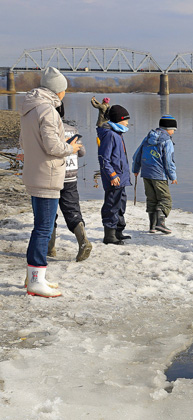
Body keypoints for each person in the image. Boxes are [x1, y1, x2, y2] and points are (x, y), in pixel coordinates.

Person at [19, 66, 81, 297]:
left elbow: (24, 142)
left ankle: (34, 276)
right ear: (58, 91)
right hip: (48, 175)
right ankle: (36, 281)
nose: (65, 93)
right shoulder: (48, 111)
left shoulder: (29, 108)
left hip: (35, 172)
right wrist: (71, 147)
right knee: (43, 229)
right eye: (64, 89)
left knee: (40, 227)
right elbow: (53, 147)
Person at [47, 117, 92, 262]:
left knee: (49, 212)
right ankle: (83, 240)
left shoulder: (49, 129)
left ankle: (50, 248)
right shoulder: (73, 130)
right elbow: (82, 152)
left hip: (53, 176)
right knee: (72, 210)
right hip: (71, 177)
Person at [132, 114, 178, 234]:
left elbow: (137, 154)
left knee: (151, 199)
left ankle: (152, 226)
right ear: (168, 129)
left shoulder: (147, 138)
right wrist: (172, 176)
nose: (173, 132)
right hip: (159, 174)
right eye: (174, 129)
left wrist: (136, 169)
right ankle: (160, 224)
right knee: (165, 199)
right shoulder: (167, 141)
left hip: (146, 173)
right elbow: (168, 160)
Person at [97, 104, 132, 245]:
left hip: (121, 178)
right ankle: (109, 235)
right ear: (119, 120)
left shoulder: (118, 134)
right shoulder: (110, 135)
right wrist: (111, 174)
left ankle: (118, 231)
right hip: (114, 179)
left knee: (120, 204)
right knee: (112, 205)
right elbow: (104, 158)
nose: (128, 123)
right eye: (126, 120)